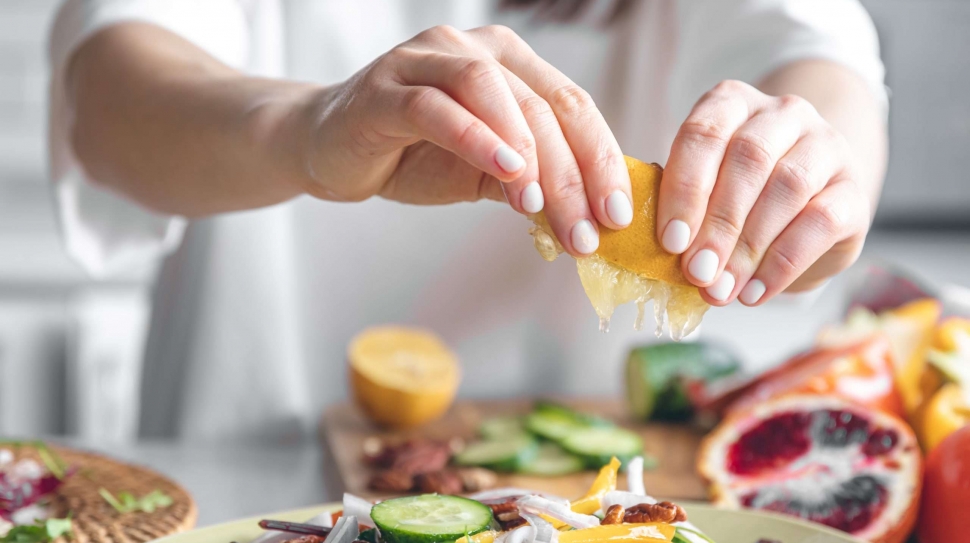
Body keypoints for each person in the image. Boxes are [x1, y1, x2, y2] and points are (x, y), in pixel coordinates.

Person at [48, 0, 888, 441]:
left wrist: (813, 171)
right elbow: (111, 86)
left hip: (594, 487)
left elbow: (824, 56)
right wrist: (310, 129)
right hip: (251, 451)